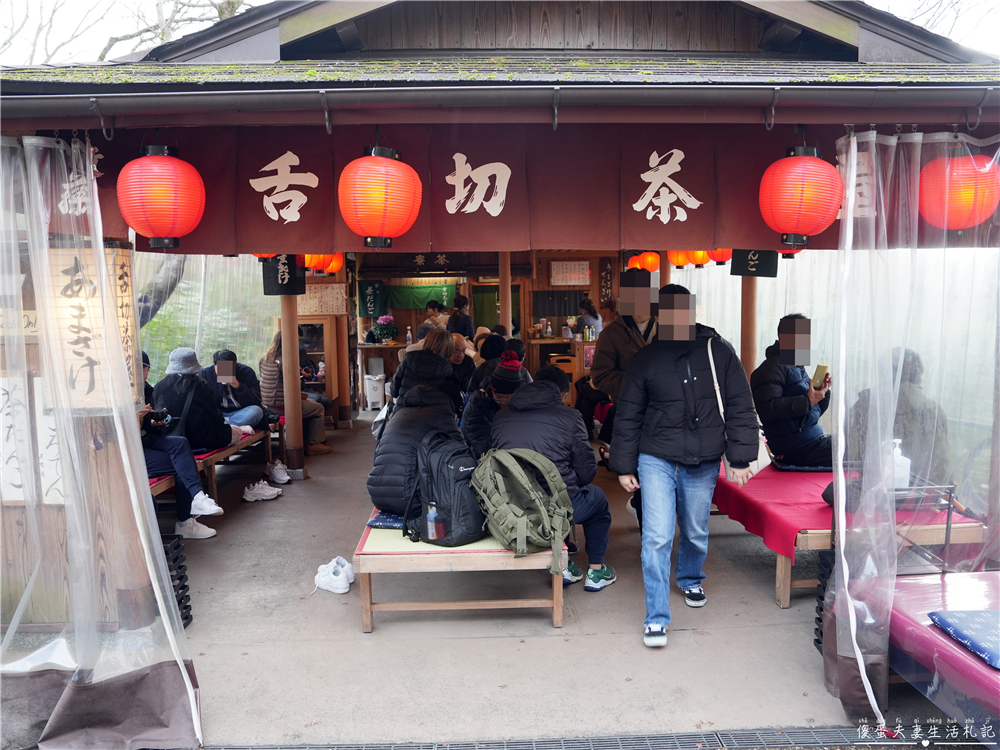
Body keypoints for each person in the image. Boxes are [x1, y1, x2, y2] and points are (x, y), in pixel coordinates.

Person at [610, 285, 759, 648]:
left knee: (694, 529)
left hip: (703, 459)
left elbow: (740, 403)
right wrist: (624, 465)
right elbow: (628, 416)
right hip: (656, 458)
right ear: (659, 316)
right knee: (657, 536)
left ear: (692, 312)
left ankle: (690, 576)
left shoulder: (718, 351)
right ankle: (656, 617)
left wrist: (740, 457)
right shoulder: (645, 360)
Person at [492, 365, 616, 591]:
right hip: (554, 510)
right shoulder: (570, 417)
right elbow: (587, 472)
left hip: (513, 508)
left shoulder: (501, 416)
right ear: (562, 394)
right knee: (594, 499)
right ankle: (596, 571)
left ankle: (565, 564)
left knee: (558, 495)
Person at [590, 268, 659, 526]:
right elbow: (601, 375)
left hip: (668, 414)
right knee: (642, 475)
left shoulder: (669, 325)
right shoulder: (611, 334)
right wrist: (638, 383)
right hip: (633, 415)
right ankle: (647, 526)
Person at [848, 348, 950, 486]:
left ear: (883, 373)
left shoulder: (865, 405)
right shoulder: (934, 410)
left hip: (872, 489)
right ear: (918, 374)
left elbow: (852, 455)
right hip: (921, 493)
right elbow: (941, 466)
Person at [367, 384, 466, 516]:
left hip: (378, 496)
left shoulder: (398, 415)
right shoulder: (441, 413)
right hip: (411, 501)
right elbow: (462, 453)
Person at [750, 314, 833, 467]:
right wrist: (808, 400)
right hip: (796, 448)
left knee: (856, 442)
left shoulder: (795, 365)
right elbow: (768, 409)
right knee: (855, 447)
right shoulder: (769, 369)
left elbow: (812, 413)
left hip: (810, 439)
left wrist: (822, 392)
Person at [140, 405, 224, 539]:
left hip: (144, 440)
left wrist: (154, 424)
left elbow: (152, 431)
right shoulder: (110, 398)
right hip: (124, 447)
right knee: (183, 463)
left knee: (181, 444)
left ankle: (198, 497)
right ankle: (185, 521)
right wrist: (132, 419)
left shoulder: (143, 394)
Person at [153, 348, 247, 453]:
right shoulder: (201, 385)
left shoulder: (158, 386)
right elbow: (215, 415)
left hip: (171, 438)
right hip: (200, 439)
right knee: (236, 432)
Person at [259, 331, 331, 456]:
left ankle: (305, 439)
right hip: (284, 405)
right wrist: (298, 377)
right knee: (318, 408)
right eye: (296, 341)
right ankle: (313, 444)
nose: (298, 343)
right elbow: (293, 386)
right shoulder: (286, 360)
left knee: (311, 403)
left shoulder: (264, 358)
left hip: (267, 405)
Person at [461, 350, 522, 458]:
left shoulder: (525, 403)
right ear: (491, 391)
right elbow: (483, 445)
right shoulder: (479, 404)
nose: (503, 402)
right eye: (499, 397)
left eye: (508, 398)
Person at [390, 327, 463, 416]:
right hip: (429, 419)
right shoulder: (447, 372)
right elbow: (457, 408)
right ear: (449, 349)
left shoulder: (408, 360)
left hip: (400, 416)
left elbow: (394, 391)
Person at [199, 349, 265, 429]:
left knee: (257, 411)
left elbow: (256, 400)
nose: (224, 371)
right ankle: (235, 427)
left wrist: (237, 385)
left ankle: (224, 426)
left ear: (235, 365)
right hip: (218, 413)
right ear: (214, 365)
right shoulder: (206, 373)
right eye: (221, 368)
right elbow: (202, 400)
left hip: (241, 411)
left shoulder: (246, 372)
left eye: (228, 368)